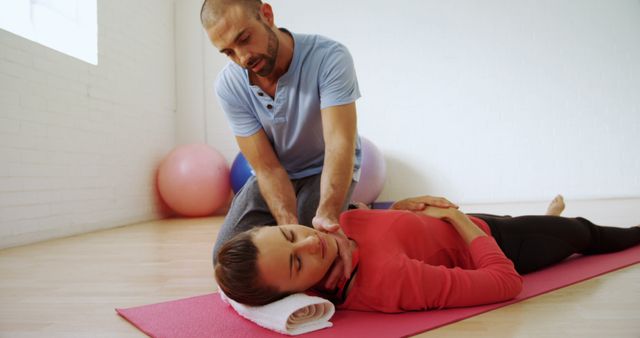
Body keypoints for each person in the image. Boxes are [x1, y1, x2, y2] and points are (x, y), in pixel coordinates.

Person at [199, 0, 457, 288]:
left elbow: (339, 144)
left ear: (267, 15)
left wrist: (327, 216)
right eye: (228, 52)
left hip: (323, 168)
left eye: (244, 39)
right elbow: (267, 168)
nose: (242, 57)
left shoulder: (329, 57)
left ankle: (355, 211)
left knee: (322, 264)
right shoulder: (228, 85)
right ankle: (352, 213)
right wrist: (289, 227)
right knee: (228, 267)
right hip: (277, 173)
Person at [214, 195, 640, 312]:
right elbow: (505, 283)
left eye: (291, 234)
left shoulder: (335, 238)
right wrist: (455, 218)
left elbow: (389, 230)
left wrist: (404, 209)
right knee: (584, 233)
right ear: (298, 293)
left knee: (537, 223)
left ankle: (550, 222)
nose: (310, 243)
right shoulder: (389, 282)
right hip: (501, 243)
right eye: (297, 262)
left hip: (476, 221)